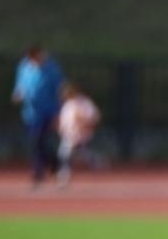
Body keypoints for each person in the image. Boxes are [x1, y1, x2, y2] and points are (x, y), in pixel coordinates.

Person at [10, 45, 65, 188]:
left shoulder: (52, 69)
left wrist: (58, 113)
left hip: (48, 111)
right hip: (31, 113)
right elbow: (20, 86)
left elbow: (59, 91)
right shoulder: (24, 67)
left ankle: (45, 170)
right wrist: (18, 94)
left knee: (41, 141)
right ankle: (50, 168)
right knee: (36, 142)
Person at [56, 82, 102, 188]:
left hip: (81, 134)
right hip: (69, 135)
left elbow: (95, 117)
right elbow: (64, 121)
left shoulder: (84, 102)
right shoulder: (67, 105)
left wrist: (84, 121)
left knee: (76, 154)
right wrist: (62, 128)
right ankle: (64, 176)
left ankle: (96, 161)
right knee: (65, 154)